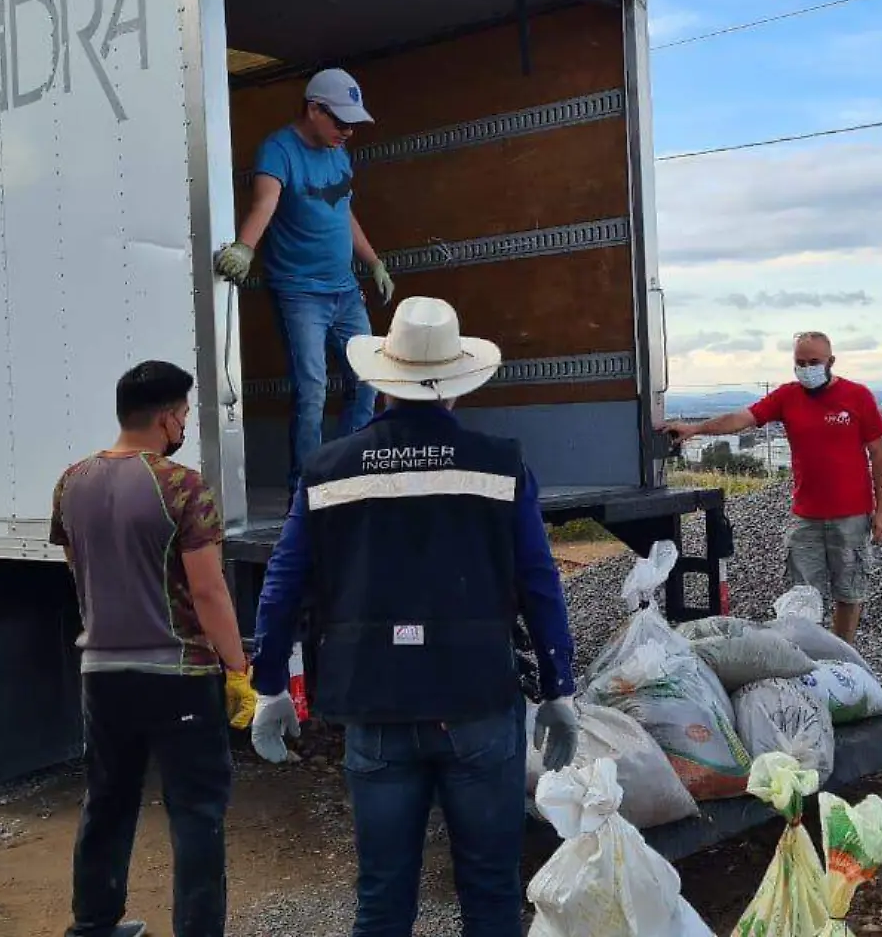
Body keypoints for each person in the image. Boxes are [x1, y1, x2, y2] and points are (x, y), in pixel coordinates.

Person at [245, 296, 580, 937]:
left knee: (382, 893)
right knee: (488, 888)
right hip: (478, 698)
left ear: (383, 381)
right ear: (457, 384)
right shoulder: (501, 464)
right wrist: (560, 686)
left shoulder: (327, 470)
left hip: (375, 705)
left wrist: (269, 685)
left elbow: (283, 584)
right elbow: (539, 583)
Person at [50, 361, 249, 937]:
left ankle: (92, 926)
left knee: (107, 801)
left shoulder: (71, 482)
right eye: (184, 414)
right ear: (166, 418)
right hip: (178, 676)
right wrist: (237, 668)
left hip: (103, 674)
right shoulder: (181, 485)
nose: (184, 424)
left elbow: (79, 569)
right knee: (197, 813)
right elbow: (209, 590)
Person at [213, 67, 396, 490]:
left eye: (352, 123)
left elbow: (342, 210)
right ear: (314, 109)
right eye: (341, 121)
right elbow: (265, 202)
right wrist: (245, 247)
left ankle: (346, 477)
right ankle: (307, 488)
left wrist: (373, 262)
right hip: (300, 293)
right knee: (312, 390)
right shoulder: (279, 150)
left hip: (345, 290)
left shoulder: (338, 153)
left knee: (368, 380)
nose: (348, 131)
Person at [665, 331, 882, 643]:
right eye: (800, 362)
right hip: (806, 517)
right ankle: (806, 657)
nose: (807, 368)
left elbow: (878, 455)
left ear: (831, 362)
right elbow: (740, 418)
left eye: (814, 362)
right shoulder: (787, 397)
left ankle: (843, 660)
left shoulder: (858, 396)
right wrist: (696, 429)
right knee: (801, 597)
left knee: (848, 593)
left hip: (852, 515)